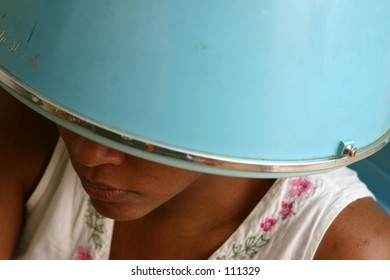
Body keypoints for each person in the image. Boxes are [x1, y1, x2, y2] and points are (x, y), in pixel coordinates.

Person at [1, 86, 390, 260]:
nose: (88, 153)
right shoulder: (25, 131)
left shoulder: (348, 254)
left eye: (135, 122)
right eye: (74, 95)